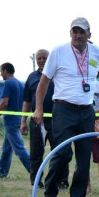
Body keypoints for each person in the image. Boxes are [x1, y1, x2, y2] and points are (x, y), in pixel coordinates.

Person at [33, 17, 99, 197]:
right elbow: (43, 82)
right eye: (75, 31)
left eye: (82, 32)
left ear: (89, 34)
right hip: (63, 109)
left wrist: (84, 85)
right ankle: (49, 195)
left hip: (87, 110)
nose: (78, 35)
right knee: (62, 153)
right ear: (70, 33)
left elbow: (97, 73)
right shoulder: (58, 52)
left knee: (84, 157)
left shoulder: (98, 53)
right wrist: (38, 108)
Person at [20, 49, 69, 189]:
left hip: (57, 120)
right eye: (39, 58)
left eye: (44, 58)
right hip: (37, 120)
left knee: (60, 151)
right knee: (36, 152)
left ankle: (61, 181)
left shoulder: (59, 75)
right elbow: (27, 101)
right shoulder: (32, 77)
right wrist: (23, 121)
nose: (41, 60)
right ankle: (36, 181)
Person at [0, 62, 31, 178]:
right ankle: (2, 173)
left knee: (19, 149)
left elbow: (4, 103)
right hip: (18, 119)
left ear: (5, 71)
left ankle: (35, 172)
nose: (0, 74)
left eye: (1, 71)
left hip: (10, 121)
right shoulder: (19, 84)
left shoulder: (8, 83)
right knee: (6, 149)